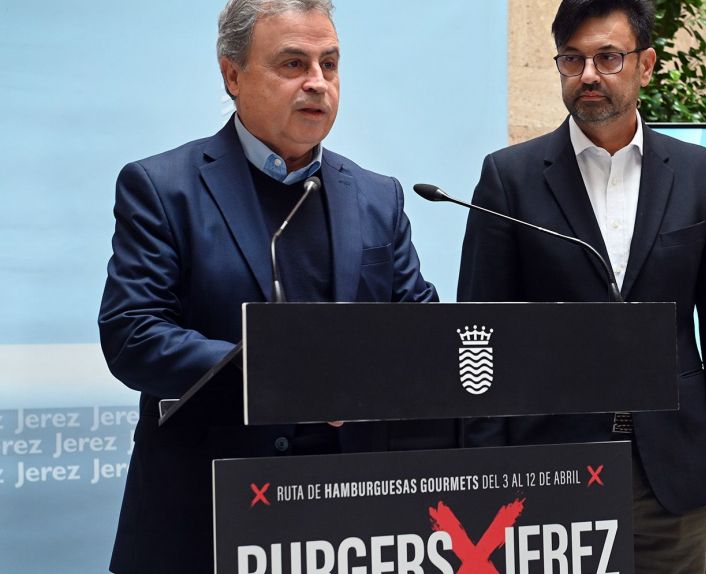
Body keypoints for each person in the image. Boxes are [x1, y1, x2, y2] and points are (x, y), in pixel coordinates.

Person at [98, 1, 452, 572]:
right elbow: (134, 335)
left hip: (353, 522)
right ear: (232, 75)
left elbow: (420, 332)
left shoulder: (377, 196)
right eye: (293, 64)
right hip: (205, 516)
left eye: (329, 64)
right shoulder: (163, 188)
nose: (317, 82)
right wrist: (284, 376)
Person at [457, 0, 706, 571]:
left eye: (608, 57)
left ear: (646, 65)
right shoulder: (510, 178)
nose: (588, 74)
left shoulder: (701, 176)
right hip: (548, 468)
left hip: (670, 472)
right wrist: (483, 471)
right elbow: (480, 335)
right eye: (572, 59)